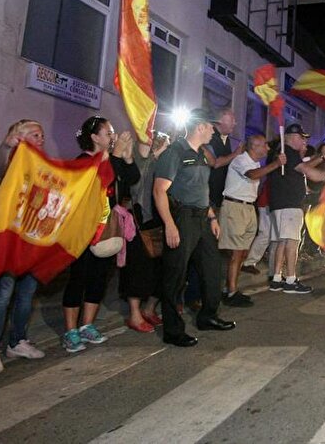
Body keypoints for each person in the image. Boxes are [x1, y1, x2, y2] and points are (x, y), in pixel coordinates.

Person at [154, 108, 235, 347]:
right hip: (182, 219)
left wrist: (212, 217)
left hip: (202, 219)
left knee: (212, 270)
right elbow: (159, 191)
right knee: (175, 276)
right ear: (200, 127)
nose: (213, 130)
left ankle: (208, 316)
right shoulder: (175, 152)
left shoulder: (201, 154)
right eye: (211, 126)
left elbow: (201, 189)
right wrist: (169, 225)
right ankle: (173, 330)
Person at [61, 116, 139, 353]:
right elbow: (99, 180)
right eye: (108, 132)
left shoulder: (112, 159)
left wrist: (127, 157)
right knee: (79, 278)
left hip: (106, 229)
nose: (112, 136)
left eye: (113, 132)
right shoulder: (84, 161)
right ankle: (71, 331)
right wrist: (115, 156)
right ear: (94, 137)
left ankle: (87, 326)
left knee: (99, 277)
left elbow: (132, 179)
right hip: (84, 229)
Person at [0, 120, 47, 374]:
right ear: (19, 138)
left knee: (26, 294)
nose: (40, 138)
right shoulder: (12, 161)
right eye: (34, 134)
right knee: (3, 294)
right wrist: (6, 145)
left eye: (42, 134)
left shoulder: (45, 166)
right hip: (11, 240)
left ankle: (17, 341)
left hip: (34, 238)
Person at [219, 134, 285, 306]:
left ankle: (232, 288)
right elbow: (252, 175)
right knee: (235, 252)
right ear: (254, 146)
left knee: (241, 252)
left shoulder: (254, 162)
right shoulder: (241, 160)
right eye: (264, 145)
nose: (267, 148)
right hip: (235, 207)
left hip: (247, 207)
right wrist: (276, 164)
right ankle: (230, 292)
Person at [266, 124, 325, 294]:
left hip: (281, 204)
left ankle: (277, 278)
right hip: (288, 205)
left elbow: (305, 167)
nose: (304, 141)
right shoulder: (288, 151)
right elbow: (307, 171)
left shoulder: (285, 152)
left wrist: (321, 159)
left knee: (282, 242)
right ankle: (290, 280)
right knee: (292, 243)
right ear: (293, 137)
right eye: (302, 137)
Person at [120, 131, 170, 333]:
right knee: (137, 269)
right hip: (138, 221)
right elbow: (136, 185)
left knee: (160, 269)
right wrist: (155, 156)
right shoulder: (132, 157)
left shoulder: (159, 158)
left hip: (157, 219)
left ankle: (149, 309)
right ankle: (134, 314)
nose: (153, 139)